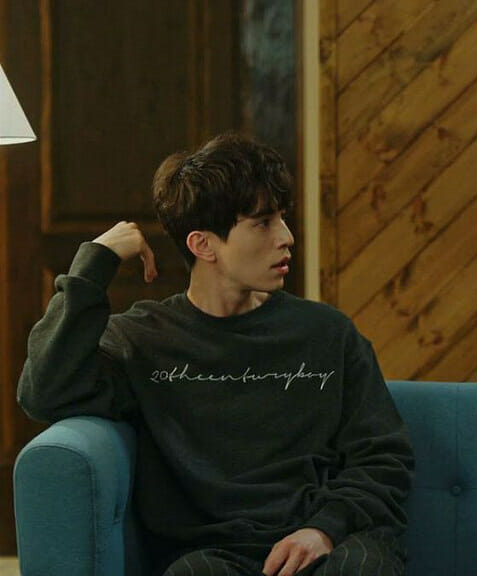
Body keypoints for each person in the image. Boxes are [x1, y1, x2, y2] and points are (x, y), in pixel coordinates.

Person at [18, 134, 414, 576]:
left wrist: (324, 529)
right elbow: (43, 393)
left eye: (282, 218)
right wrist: (94, 264)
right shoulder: (143, 340)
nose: (287, 237)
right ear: (203, 245)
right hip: (212, 555)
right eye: (263, 223)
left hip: (327, 544)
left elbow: (383, 457)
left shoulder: (328, 333)